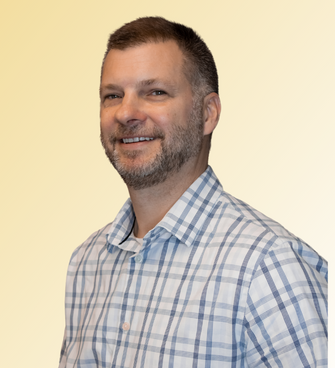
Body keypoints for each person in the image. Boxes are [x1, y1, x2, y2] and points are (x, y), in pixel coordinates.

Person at [59, 17, 328, 368]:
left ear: (208, 113)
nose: (125, 113)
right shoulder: (86, 263)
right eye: (113, 95)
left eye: (155, 92)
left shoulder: (269, 267)